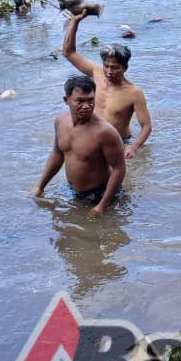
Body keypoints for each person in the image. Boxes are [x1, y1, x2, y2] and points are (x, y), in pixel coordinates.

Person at [31, 75, 127, 215]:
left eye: (90, 100)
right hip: (73, 191)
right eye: (80, 101)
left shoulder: (104, 132)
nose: (86, 106)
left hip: (100, 194)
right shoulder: (60, 122)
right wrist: (40, 186)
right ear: (66, 100)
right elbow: (57, 155)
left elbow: (119, 168)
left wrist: (101, 206)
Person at [62, 11, 151, 158]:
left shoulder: (134, 93)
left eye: (115, 68)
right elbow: (69, 53)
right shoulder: (97, 72)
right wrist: (75, 22)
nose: (109, 71)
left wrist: (133, 148)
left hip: (118, 141)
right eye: (106, 66)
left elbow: (146, 126)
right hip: (92, 135)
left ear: (125, 68)